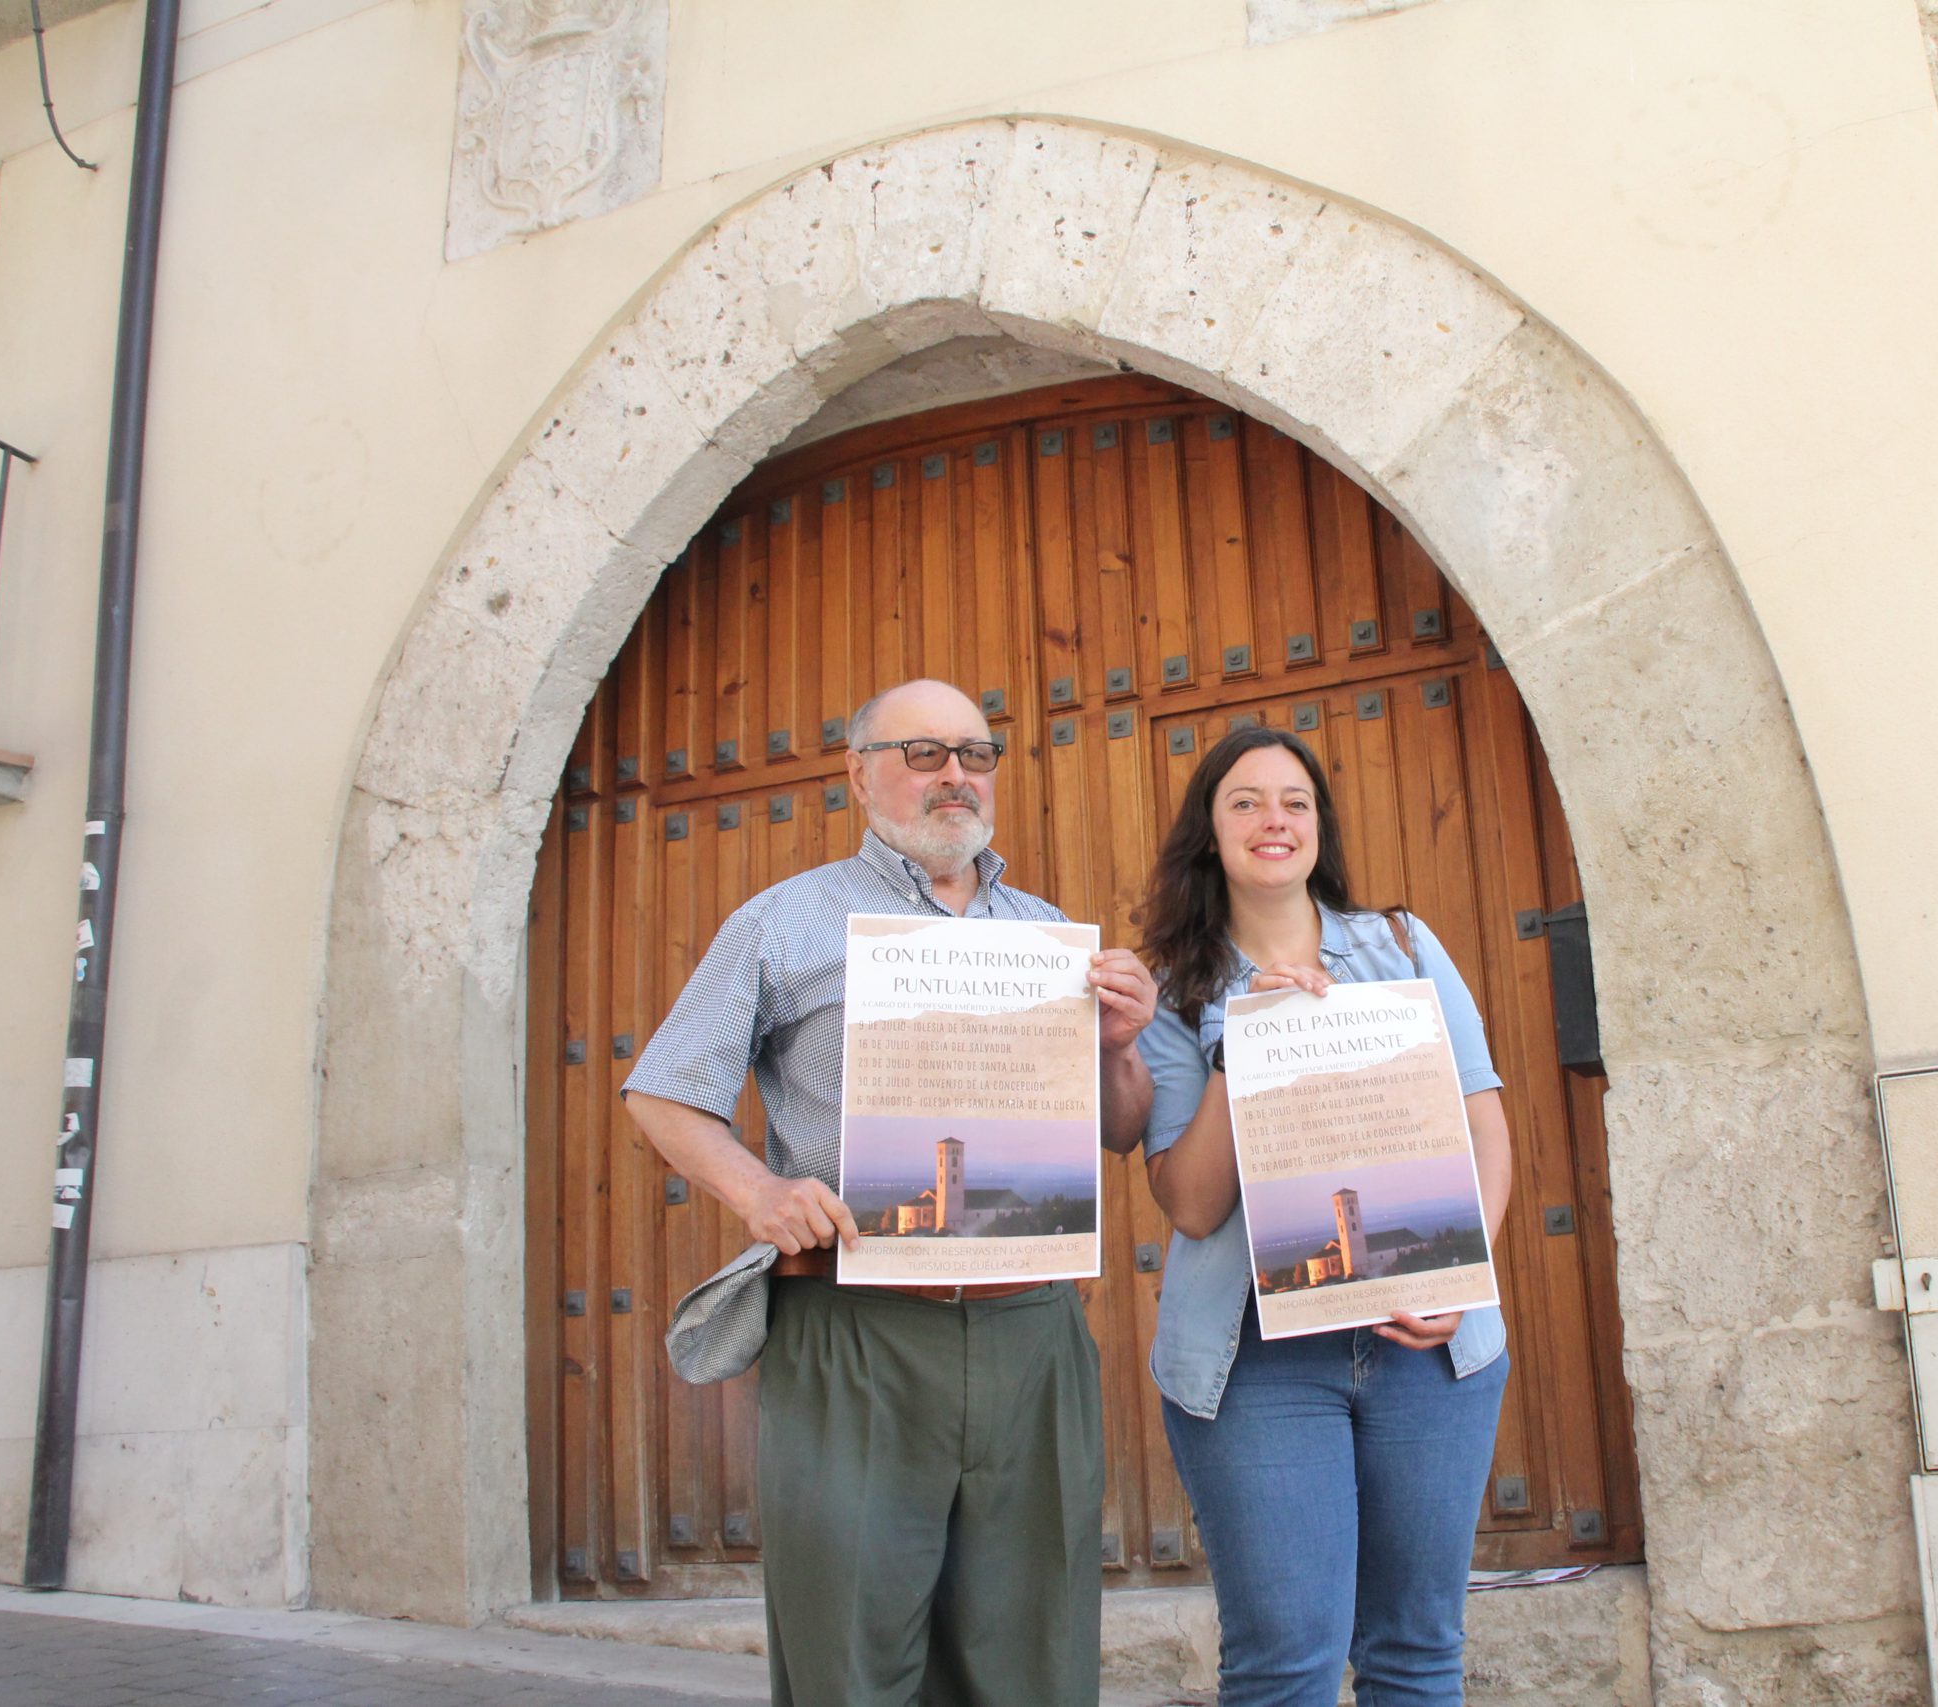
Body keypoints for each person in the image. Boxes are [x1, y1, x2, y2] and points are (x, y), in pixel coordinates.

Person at [620, 678, 1156, 1707]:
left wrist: (1120, 1047)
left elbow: (1121, 1128)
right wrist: (760, 1191)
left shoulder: (1046, 933)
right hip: (853, 1327)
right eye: (923, 753)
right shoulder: (784, 923)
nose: (954, 775)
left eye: (975, 753)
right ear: (859, 774)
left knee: (1032, 1662)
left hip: (1030, 1333)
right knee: (849, 1663)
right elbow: (662, 1093)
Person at [1133, 724, 1515, 1707]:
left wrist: (1459, 1276)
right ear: (1208, 835)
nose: (1273, 820)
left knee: (1418, 1654)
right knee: (1281, 1665)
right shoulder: (1177, 990)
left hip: (1426, 1354)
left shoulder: (1400, 945)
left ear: (1319, 827)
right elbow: (1190, 1201)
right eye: (1245, 802)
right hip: (1257, 1363)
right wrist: (1243, 1039)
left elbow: (1485, 1130)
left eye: (1294, 801)